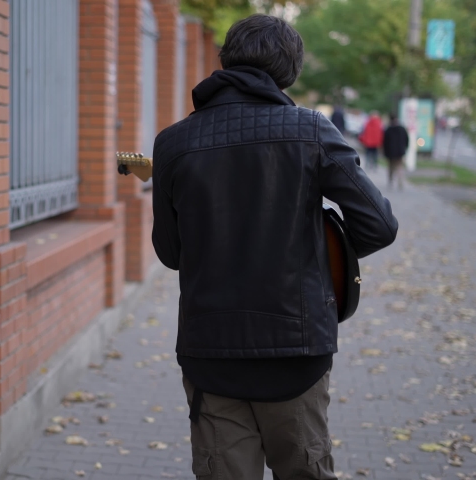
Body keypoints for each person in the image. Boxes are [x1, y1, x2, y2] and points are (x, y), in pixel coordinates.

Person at [151, 14, 398, 480]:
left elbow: (170, 253)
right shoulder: (310, 131)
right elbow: (379, 224)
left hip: (211, 353)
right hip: (296, 351)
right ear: (290, 71)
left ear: (224, 60)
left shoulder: (172, 143)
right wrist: (322, 255)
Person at [383, 113, 409, 190]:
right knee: (399, 167)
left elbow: (385, 142)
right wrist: (405, 148)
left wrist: (385, 152)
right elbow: (407, 139)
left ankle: (390, 181)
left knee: (391, 167)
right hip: (400, 152)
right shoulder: (402, 128)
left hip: (390, 152)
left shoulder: (388, 129)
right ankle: (400, 182)